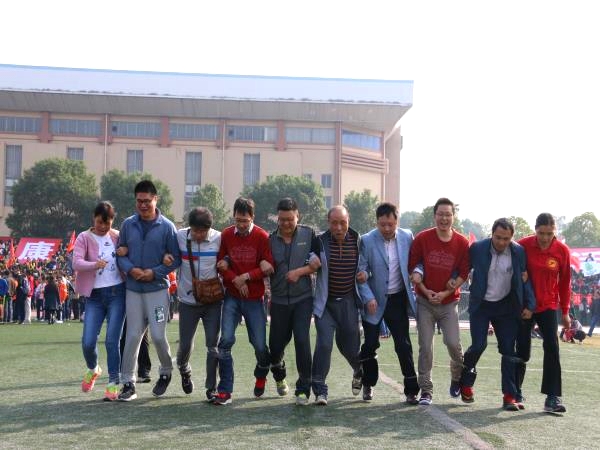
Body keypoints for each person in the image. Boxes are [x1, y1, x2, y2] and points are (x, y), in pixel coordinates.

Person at [458, 218, 536, 410]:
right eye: (498, 237)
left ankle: (509, 396)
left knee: (509, 350)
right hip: (481, 306)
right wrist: (452, 282)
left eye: (506, 239)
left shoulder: (518, 252)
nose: (501, 242)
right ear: (491, 234)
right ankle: (465, 381)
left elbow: (524, 279)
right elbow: (462, 268)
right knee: (479, 345)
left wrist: (530, 304)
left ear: (512, 238)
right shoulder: (477, 248)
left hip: (506, 307)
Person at [117, 180, 181, 401]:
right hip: (133, 290)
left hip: (157, 290)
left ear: (156, 199)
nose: (143, 205)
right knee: (133, 335)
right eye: (139, 201)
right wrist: (131, 269)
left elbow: (176, 259)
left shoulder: (167, 227)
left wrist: (155, 272)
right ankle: (128, 383)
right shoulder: (128, 225)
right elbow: (120, 254)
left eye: (147, 201)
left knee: (158, 336)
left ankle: (165, 372)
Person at [408, 197, 470, 406]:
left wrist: (444, 293)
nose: (444, 218)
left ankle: (457, 377)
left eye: (448, 214)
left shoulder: (462, 242)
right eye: (440, 214)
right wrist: (426, 291)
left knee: (453, 343)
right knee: (425, 346)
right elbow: (412, 267)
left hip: (449, 302)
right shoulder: (422, 238)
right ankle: (426, 390)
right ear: (434, 216)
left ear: (453, 217)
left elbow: (464, 272)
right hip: (424, 302)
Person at [357, 202, 420, 404]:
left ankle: (411, 389)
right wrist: (368, 297)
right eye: (382, 224)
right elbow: (361, 271)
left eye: (390, 224)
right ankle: (368, 383)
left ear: (397, 222)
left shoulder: (407, 236)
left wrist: (418, 272)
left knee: (403, 344)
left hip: (397, 299)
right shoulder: (367, 240)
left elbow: (416, 261)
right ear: (376, 222)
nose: (386, 229)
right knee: (370, 344)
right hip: (374, 300)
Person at [213, 197, 274, 406]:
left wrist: (246, 277)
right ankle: (225, 390)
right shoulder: (226, 235)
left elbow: (268, 266)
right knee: (225, 341)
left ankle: (261, 373)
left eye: (245, 221)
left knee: (260, 345)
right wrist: (236, 281)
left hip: (254, 298)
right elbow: (221, 264)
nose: (240, 225)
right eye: (237, 220)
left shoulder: (262, 236)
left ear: (252, 218)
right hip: (232, 296)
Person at [516, 213, 571, 413]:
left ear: (555, 231)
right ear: (535, 230)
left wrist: (565, 311)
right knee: (522, 350)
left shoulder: (562, 251)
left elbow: (565, 283)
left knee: (552, 348)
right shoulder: (522, 245)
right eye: (541, 233)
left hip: (549, 306)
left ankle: (552, 398)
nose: (545, 238)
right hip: (525, 307)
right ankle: (514, 392)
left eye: (549, 233)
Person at [268, 198, 321, 405]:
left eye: (290, 219)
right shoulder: (270, 240)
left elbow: (317, 262)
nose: (286, 223)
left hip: (303, 298)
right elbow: (262, 262)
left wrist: (301, 271)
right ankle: (279, 373)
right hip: (279, 300)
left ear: (298, 216)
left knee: (301, 339)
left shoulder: (309, 235)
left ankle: (303, 388)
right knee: (275, 347)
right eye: (282, 219)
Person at [72, 201, 126, 401]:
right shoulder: (84, 237)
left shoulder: (117, 236)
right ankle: (93, 368)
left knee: (112, 341)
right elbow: (76, 263)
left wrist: (124, 252)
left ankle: (113, 383)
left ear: (112, 221)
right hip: (94, 296)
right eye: (99, 222)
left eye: (107, 223)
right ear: (93, 219)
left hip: (117, 293)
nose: (103, 227)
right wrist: (94, 264)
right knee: (88, 342)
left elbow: (128, 255)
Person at [312, 205, 363, 406]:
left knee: (350, 348)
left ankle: (359, 370)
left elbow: (367, 265)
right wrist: (311, 259)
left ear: (349, 221)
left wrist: (366, 273)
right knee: (324, 344)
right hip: (325, 304)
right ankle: (320, 390)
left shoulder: (359, 241)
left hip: (349, 303)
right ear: (328, 223)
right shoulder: (319, 241)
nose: (339, 227)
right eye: (334, 223)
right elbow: (309, 256)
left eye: (343, 222)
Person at [173, 207, 222, 402]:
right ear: (189, 227)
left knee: (213, 346)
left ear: (209, 228)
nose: (198, 235)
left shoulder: (219, 238)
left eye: (202, 231)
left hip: (213, 302)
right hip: (188, 301)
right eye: (195, 231)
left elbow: (228, 257)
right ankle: (184, 369)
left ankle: (212, 388)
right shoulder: (180, 237)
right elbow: (168, 253)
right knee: (185, 345)